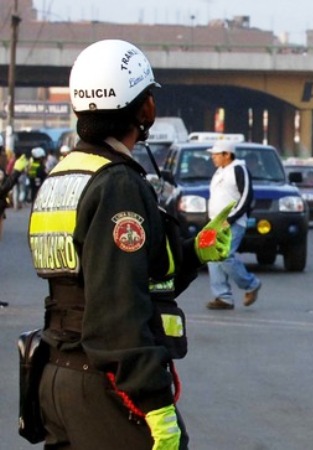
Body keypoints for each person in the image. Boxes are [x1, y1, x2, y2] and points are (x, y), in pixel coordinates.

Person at [26, 39, 233, 449]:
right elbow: (117, 304)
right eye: (149, 97)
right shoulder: (117, 184)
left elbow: (105, 276)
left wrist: (193, 251)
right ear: (146, 110)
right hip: (102, 387)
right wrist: (156, 405)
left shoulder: (63, 175)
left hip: (53, 377)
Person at [206, 139, 262, 310]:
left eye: (216, 155)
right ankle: (223, 297)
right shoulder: (219, 172)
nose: (213, 158)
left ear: (227, 155)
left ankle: (251, 284)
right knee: (213, 258)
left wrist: (230, 218)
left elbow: (246, 196)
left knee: (225, 256)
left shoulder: (238, 168)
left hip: (233, 222)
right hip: (215, 223)